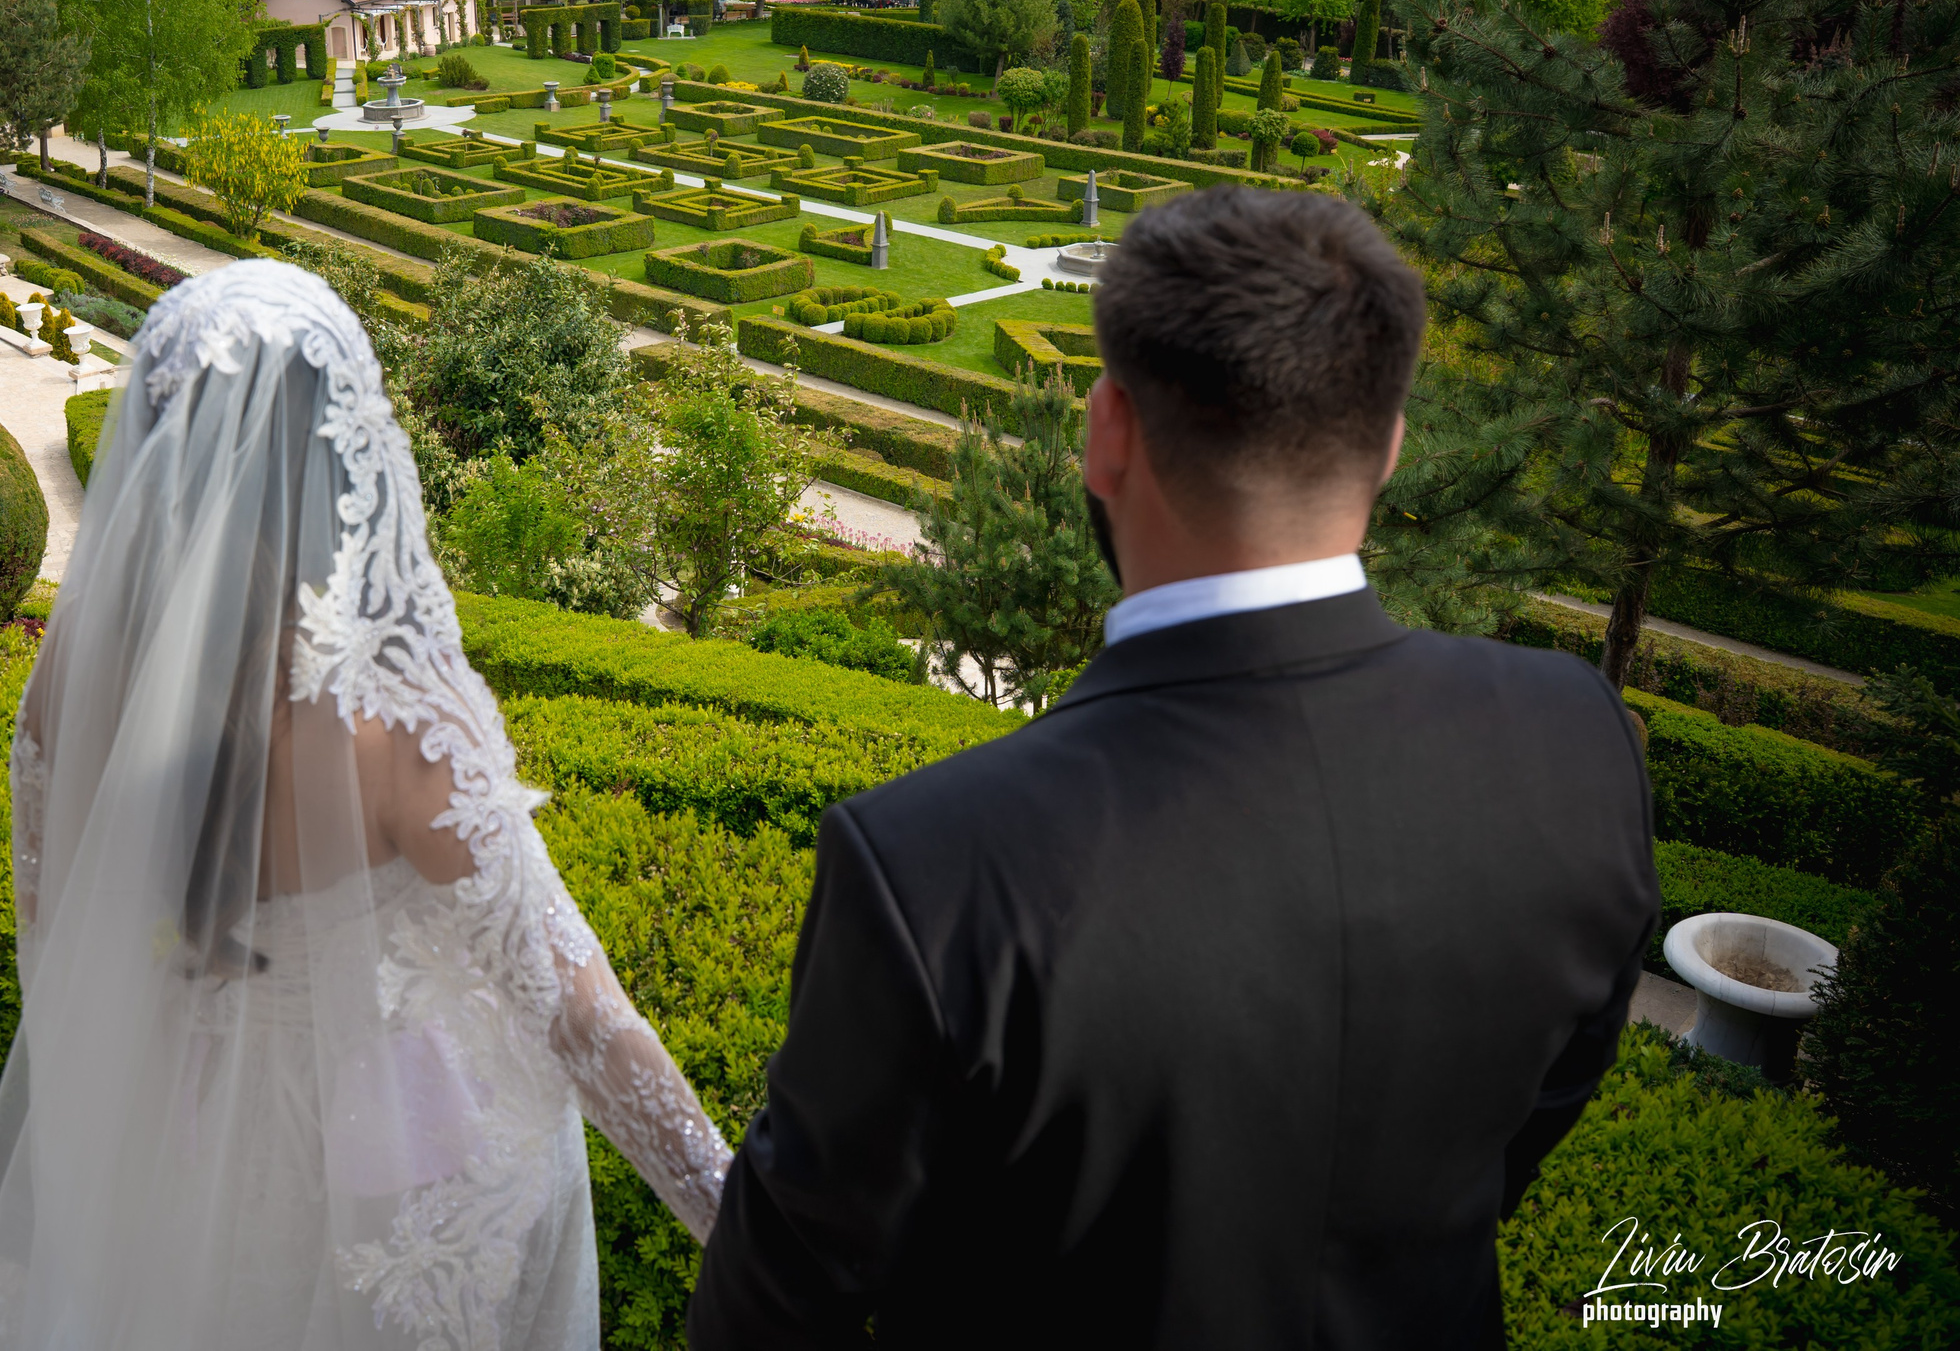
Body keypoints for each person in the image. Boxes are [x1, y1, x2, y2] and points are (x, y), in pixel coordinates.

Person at [689, 190, 1659, 1349]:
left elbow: (774, 1313)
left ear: (1106, 432)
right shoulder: (1574, 740)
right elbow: (1521, 1131)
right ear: (1390, 442)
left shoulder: (932, 866)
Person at [0, 262, 732, 1351]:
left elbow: (55, 939)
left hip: (195, 1150)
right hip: (399, 1172)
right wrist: (746, 1225)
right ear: (346, 451)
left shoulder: (72, 681)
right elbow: (579, 1016)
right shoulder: (393, 720)